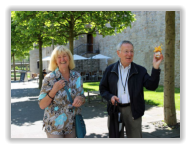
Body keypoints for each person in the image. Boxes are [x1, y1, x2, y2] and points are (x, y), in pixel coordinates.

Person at [99, 40, 163, 138]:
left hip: (133, 110)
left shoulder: (140, 70)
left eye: (132, 51)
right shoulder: (110, 70)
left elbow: (152, 86)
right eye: (126, 51)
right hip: (115, 109)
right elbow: (102, 89)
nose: (130, 54)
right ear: (118, 53)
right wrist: (110, 96)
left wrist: (155, 67)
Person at [38, 45, 85, 138]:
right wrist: (54, 90)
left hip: (72, 124)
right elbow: (42, 105)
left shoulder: (77, 76)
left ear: (69, 58)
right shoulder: (49, 78)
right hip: (54, 126)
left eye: (64, 56)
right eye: (59, 57)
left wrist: (80, 98)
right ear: (55, 61)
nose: (62, 59)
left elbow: (82, 97)